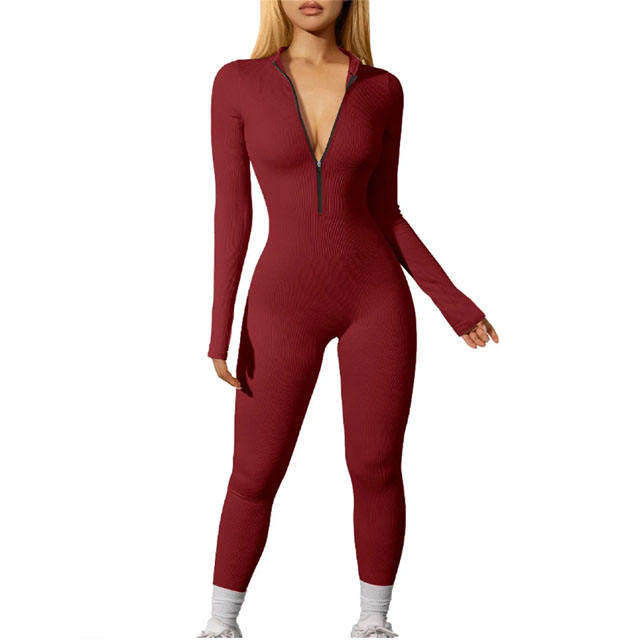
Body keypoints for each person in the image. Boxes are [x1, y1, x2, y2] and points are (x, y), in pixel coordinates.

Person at [200, 1, 499, 637]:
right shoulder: (237, 82)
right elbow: (232, 212)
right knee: (254, 472)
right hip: (280, 305)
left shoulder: (382, 89)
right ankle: (220, 624)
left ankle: (374, 621)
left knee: (377, 467)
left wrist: (453, 303)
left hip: (376, 301)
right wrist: (221, 326)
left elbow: (386, 212)